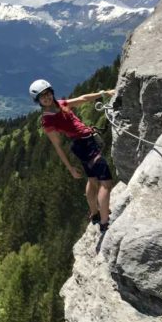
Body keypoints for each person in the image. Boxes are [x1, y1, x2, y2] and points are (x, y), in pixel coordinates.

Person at [29, 79, 115, 233]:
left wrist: (104, 94)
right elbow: (58, 146)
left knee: (92, 179)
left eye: (47, 94)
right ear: (39, 101)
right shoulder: (48, 120)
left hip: (83, 145)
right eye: (42, 97)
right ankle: (104, 222)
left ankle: (95, 213)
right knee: (106, 184)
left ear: (51, 93)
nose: (46, 98)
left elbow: (83, 99)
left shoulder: (61, 104)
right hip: (85, 146)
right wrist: (70, 169)